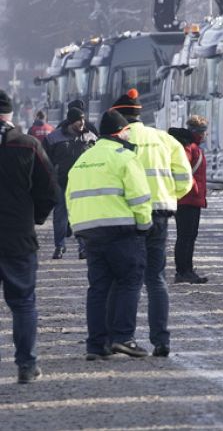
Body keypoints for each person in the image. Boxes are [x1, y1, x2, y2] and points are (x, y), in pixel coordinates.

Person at [109, 89, 192, 358]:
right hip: (160, 214)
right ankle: (161, 339)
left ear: (119, 115)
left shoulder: (114, 140)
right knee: (156, 278)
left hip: (128, 215)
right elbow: (184, 179)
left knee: (127, 278)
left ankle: (124, 336)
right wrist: (169, 196)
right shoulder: (165, 140)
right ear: (139, 113)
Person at [66, 110, 154, 361]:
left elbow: (69, 195)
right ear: (120, 132)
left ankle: (95, 344)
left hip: (89, 232)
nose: (129, 134)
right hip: (121, 230)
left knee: (98, 288)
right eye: (127, 130)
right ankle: (123, 338)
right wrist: (145, 225)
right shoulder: (124, 157)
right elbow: (139, 196)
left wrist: (78, 227)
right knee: (129, 281)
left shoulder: (84, 158)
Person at [0, 90, 59, 383]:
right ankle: (26, 364)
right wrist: (34, 217)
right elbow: (50, 189)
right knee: (23, 302)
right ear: (10, 114)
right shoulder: (28, 145)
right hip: (17, 237)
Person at [43, 106, 97, 259]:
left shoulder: (90, 137)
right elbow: (45, 160)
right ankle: (59, 246)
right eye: (79, 120)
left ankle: (83, 248)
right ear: (71, 121)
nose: (82, 122)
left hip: (82, 183)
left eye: (83, 119)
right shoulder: (54, 138)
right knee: (60, 216)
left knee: (81, 216)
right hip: (61, 182)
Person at [168, 116, 209, 284]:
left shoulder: (189, 146)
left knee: (188, 236)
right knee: (186, 236)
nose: (206, 135)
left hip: (191, 198)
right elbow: (182, 170)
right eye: (204, 132)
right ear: (198, 133)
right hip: (188, 199)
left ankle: (186, 269)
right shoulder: (190, 148)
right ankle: (183, 271)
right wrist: (193, 187)